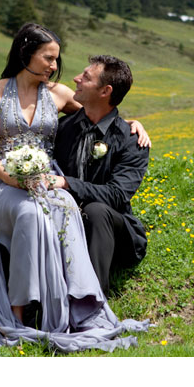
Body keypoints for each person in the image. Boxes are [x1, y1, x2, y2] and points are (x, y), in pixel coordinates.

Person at [0, 22, 149, 352]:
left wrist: (134, 123)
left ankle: (83, 305)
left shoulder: (59, 94)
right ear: (25, 53)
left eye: (55, 60)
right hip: (4, 182)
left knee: (65, 207)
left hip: (47, 182)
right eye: (48, 58)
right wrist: (11, 177)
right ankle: (17, 313)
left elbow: (101, 116)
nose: (54, 67)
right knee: (30, 213)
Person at [53, 55, 149, 297]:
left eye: (85, 77)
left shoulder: (132, 140)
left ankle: (93, 305)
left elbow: (117, 195)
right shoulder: (63, 129)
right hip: (66, 224)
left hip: (115, 236)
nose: (76, 79)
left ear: (105, 91)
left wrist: (66, 183)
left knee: (96, 210)